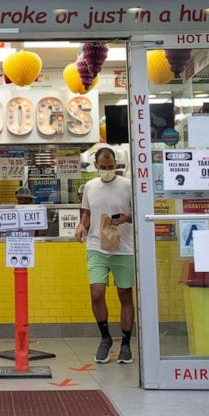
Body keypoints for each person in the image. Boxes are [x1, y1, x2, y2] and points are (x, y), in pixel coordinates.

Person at [74, 148, 135, 364]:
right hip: (96, 246)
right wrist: (81, 226)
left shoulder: (128, 185)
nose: (107, 171)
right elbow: (87, 213)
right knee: (96, 293)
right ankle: (105, 338)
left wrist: (127, 218)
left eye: (111, 167)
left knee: (125, 295)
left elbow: (137, 213)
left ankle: (126, 343)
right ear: (96, 165)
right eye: (103, 167)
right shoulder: (90, 186)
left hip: (124, 248)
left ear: (116, 164)